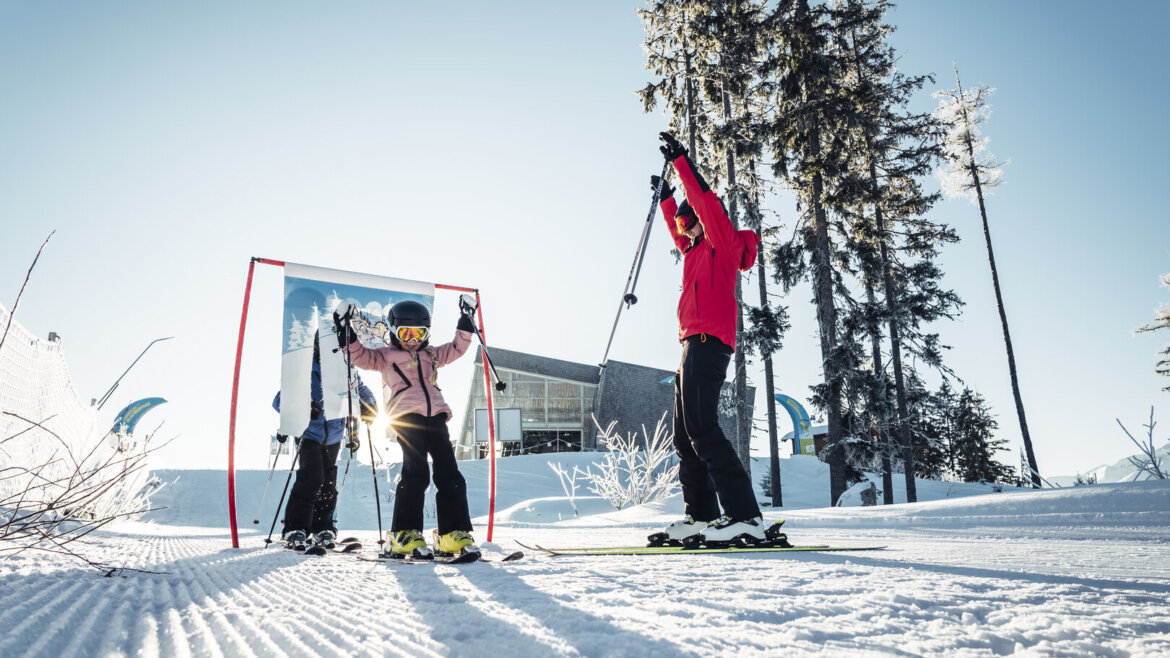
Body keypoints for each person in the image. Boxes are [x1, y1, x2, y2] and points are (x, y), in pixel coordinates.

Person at [653, 131, 767, 546]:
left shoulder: (722, 242)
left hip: (709, 342)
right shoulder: (695, 249)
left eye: (689, 221)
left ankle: (746, 516)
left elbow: (707, 204)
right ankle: (701, 515)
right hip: (689, 344)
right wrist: (667, 200)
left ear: (703, 220)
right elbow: (677, 230)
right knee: (685, 433)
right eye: (683, 223)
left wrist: (683, 164)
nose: (685, 229)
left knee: (703, 428)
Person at [333, 295, 478, 559]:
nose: (413, 339)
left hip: (435, 417)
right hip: (406, 417)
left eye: (419, 333)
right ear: (393, 331)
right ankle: (404, 533)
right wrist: (347, 333)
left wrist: (466, 319)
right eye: (406, 333)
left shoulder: (432, 354)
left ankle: (452, 533)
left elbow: (457, 347)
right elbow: (361, 358)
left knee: (450, 473)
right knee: (417, 471)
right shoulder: (386, 356)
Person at [274, 334, 377, 551]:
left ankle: (323, 527)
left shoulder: (346, 369)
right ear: (317, 347)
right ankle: (295, 527)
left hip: (334, 434)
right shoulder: (303, 370)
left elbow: (361, 391)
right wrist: (303, 406)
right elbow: (279, 400)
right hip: (309, 433)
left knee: (328, 480)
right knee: (311, 477)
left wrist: (369, 406)